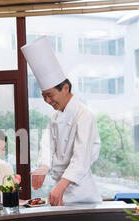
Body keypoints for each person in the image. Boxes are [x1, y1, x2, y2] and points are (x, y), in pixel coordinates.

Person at [21, 36, 101, 205]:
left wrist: (62, 185)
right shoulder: (54, 118)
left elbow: (81, 159)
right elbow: (47, 145)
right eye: (44, 96)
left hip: (82, 195)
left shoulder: (84, 115)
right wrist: (44, 166)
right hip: (60, 190)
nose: (47, 101)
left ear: (65, 88)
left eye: (50, 95)